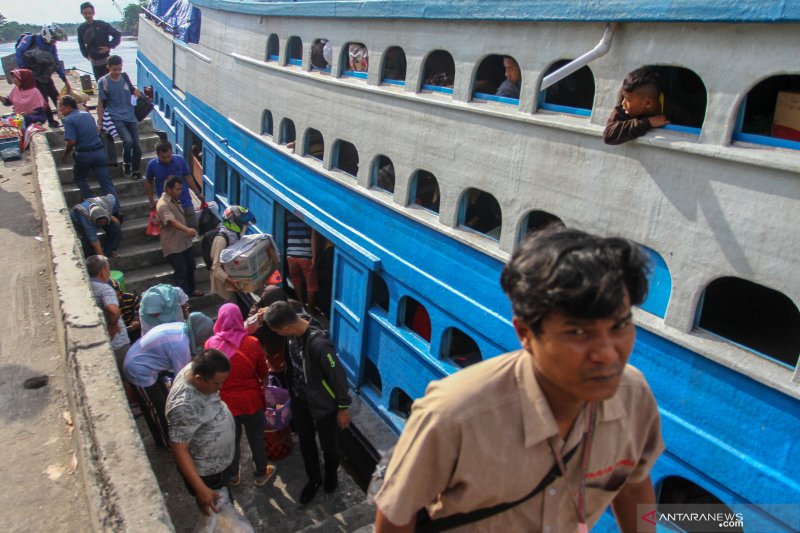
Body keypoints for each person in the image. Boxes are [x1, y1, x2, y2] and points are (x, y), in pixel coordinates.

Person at [373, 227, 664, 533]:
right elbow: (396, 514)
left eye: (619, 326)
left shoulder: (634, 396)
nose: (607, 354)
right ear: (525, 333)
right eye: (578, 332)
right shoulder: (453, 414)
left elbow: (634, 486)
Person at [265, 301, 351, 504]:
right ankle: (314, 479)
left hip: (323, 406)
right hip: (299, 399)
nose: (278, 335)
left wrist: (343, 407)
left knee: (329, 446)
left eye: (278, 331)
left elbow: (336, 373)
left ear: (285, 328)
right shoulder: (291, 334)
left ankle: (331, 475)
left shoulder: (320, 345)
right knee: (306, 442)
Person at [206, 303, 276, 487]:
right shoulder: (252, 344)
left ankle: (232, 476)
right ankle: (261, 474)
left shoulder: (211, 345)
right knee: (256, 439)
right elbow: (263, 372)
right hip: (251, 401)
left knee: (231, 441)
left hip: (225, 404)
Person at [124, 313, 214, 447]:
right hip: (139, 370)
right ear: (199, 332)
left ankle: (167, 438)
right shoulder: (181, 345)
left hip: (144, 363)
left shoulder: (183, 328)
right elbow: (182, 380)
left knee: (164, 403)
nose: (204, 340)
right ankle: (167, 444)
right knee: (156, 409)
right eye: (204, 336)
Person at [166, 349, 235, 516]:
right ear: (198, 379)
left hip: (218, 462)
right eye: (217, 384)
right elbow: (179, 450)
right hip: (208, 471)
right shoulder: (183, 406)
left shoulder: (197, 369)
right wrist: (200, 488)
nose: (221, 387)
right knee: (220, 514)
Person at [59, 95, 118, 200]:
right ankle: (115, 208)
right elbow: (96, 130)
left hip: (84, 155)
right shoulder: (87, 115)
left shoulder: (68, 120)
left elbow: (71, 141)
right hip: (99, 152)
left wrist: (65, 154)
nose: (60, 110)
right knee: (105, 181)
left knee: (79, 178)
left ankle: (92, 199)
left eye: (61, 107)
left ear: (68, 107)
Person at [15, 23, 70, 128]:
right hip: (33, 75)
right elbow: (19, 52)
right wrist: (24, 71)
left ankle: (64, 118)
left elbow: (56, 62)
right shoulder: (29, 39)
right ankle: (51, 120)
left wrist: (64, 78)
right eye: (54, 40)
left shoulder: (51, 46)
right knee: (43, 98)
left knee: (56, 95)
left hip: (45, 74)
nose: (54, 42)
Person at [97, 55, 142, 178]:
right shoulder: (103, 82)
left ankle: (136, 170)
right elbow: (100, 103)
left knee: (137, 146)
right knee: (128, 141)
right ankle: (127, 163)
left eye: (119, 69)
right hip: (115, 115)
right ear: (108, 67)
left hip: (130, 114)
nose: (117, 72)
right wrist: (100, 121)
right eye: (114, 70)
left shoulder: (125, 77)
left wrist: (137, 93)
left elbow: (133, 90)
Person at [157, 176, 202, 297]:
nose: (180, 192)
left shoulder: (175, 199)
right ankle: (182, 298)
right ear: (168, 189)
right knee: (181, 271)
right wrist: (187, 230)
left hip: (184, 242)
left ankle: (191, 290)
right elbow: (172, 221)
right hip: (173, 244)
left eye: (180, 189)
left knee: (191, 266)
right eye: (177, 189)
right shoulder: (163, 204)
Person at [603, 67, 671, 145]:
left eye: (628, 100)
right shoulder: (626, 99)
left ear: (648, 103)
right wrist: (648, 122)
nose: (623, 103)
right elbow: (609, 134)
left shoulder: (673, 109)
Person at [146, 141, 204, 229]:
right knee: (174, 230)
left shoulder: (180, 160)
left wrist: (197, 193)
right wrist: (151, 200)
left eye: (169, 156)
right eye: (163, 157)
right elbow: (148, 182)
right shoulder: (152, 165)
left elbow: (188, 177)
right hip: (168, 204)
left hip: (185, 201)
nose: (167, 160)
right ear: (157, 155)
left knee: (193, 227)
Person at [209, 205, 256, 307]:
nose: (245, 226)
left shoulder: (236, 235)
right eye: (243, 224)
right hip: (223, 287)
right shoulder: (221, 239)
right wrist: (231, 281)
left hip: (235, 282)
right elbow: (216, 267)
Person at [77, 2, 121, 81]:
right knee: (100, 83)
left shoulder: (103, 25)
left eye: (89, 13)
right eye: (85, 13)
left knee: (110, 83)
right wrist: (86, 55)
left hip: (106, 62)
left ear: (93, 13)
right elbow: (81, 44)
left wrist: (109, 46)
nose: (88, 15)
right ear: (82, 13)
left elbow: (117, 35)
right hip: (94, 63)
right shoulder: (81, 29)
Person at [285, 212, 319, 312]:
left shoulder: (289, 215)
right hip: (306, 255)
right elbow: (314, 237)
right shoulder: (310, 217)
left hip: (291, 254)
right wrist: (315, 258)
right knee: (311, 284)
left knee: (296, 280)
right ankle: (310, 309)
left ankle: (302, 304)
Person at [108, 278, 142, 343]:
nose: (118, 298)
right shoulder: (107, 307)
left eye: (118, 295)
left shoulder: (130, 298)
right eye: (113, 297)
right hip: (118, 332)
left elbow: (142, 307)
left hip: (132, 328)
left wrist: (137, 320)